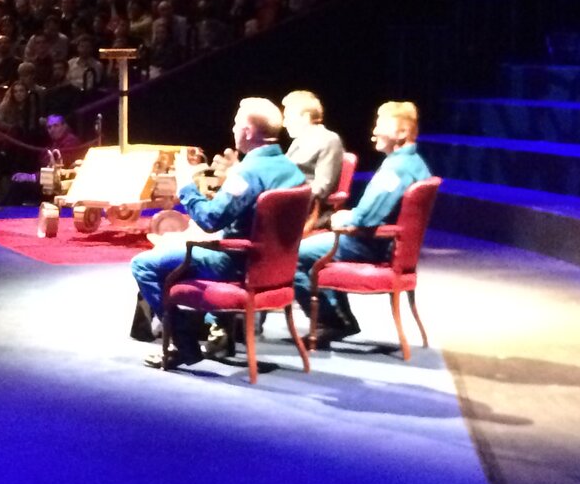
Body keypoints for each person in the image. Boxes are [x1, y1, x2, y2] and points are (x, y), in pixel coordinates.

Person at [130, 98, 304, 370]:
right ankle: (209, 329)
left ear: (247, 131)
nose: (232, 128)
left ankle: (185, 344)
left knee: (143, 264)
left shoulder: (248, 172)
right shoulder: (292, 170)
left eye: (236, 123)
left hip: (235, 263)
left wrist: (186, 185)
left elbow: (210, 219)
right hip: (277, 268)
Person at [295, 100, 431, 344]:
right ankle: (338, 317)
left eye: (381, 125)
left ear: (401, 133)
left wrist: (346, 218)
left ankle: (333, 320)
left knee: (293, 255)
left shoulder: (396, 169)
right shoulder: (415, 163)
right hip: (386, 242)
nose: (374, 131)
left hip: (372, 244)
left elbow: (367, 217)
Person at [280, 90, 346, 206]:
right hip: (290, 202)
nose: (284, 124)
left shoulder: (329, 139)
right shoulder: (298, 141)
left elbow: (322, 188)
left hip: (306, 209)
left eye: (287, 117)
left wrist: (283, 200)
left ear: (305, 117)